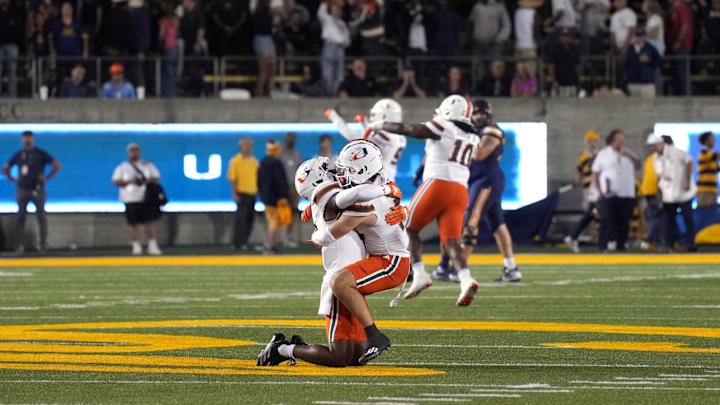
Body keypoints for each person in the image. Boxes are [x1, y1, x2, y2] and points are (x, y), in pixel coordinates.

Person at [257, 155, 405, 367]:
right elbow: (356, 194)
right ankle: (282, 349)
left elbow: (367, 209)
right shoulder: (325, 192)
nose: (336, 172)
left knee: (354, 357)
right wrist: (389, 189)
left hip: (351, 281)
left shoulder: (326, 198)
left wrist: (402, 209)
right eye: (328, 169)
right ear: (317, 178)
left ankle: (292, 347)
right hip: (340, 282)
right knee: (339, 357)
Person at [371, 95, 481, 306]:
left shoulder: (444, 125)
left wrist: (381, 124)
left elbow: (413, 130)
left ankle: (420, 273)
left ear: (448, 111)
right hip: (461, 190)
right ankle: (466, 279)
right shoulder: (473, 137)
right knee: (451, 241)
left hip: (439, 183)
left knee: (405, 225)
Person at [308, 141, 409, 364]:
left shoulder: (366, 201)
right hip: (386, 256)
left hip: (390, 262)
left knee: (340, 282)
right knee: (345, 284)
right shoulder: (383, 183)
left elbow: (328, 236)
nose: (341, 175)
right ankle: (369, 336)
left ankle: (375, 335)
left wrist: (317, 229)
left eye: (348, 171)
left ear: (363, 171)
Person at [434, 100, 521, 283]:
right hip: (478, 181)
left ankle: (458, 268)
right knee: (497, 225)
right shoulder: (472, 131)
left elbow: (479, 154)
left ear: (489, 114)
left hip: (486, 181)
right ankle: (511, 267)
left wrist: (461, 136)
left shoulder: (492, 130)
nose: (479, 116)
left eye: (483, 113)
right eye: (476, 113)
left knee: (469, 222)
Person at [2, 131, 61, 254]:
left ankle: (43, 244)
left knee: (41, 216)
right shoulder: (19, 154)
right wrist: (13, 179)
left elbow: (56, 165)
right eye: (25, 138)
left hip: (37, 189)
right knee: (20, 217)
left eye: (29, 138)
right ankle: (19, 245)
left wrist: (47, 177)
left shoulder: (39, 153)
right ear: (22, 139)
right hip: (23, 188)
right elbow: (5, 167)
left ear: (32, 139)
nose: (27, 140)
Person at [325, 98, 407, 181]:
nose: (373, 117)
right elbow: (371, 136)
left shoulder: (388, 136)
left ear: (384, 115)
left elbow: (352, 135)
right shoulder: (401, 137)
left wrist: (334, 117)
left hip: (379, 181)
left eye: (375, 114)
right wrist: (364, 123)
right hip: (388, 180)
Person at [591, 129, 640, 252]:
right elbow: (595, 173)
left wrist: (628, 155)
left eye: (623, 140)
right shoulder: (603, 154)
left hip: (627, 194)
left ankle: (621, 246)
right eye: (619, 140)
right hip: (609, 194)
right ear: (612, 140)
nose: (621, 142)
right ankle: (603, 246)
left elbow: (639, 165)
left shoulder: (628, 154)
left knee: (624, 222)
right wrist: (599, 190)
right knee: (607, 220)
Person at [647, 133, 697, 251]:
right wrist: (659, 191)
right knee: (668, 220)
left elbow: (689, 161)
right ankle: (670, 244)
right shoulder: (656, 158)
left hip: (683, 192)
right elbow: (660, 175)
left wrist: (688, 180)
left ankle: (691, 243)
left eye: (653, 145)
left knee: (687, 218)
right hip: (668, 195)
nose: (652, 148)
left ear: (660, 143)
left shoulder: (675, 152)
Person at [111, 142, 162, 256]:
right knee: (134, 224)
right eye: (132, 151)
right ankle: (136, 246)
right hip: (130, 199)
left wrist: (144, 181)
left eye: (136, 150)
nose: (134, 153)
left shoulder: (147, 165)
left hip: (146, 198)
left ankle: (152, 245)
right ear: (128, 153)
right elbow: (115, 180)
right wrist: (130, 181)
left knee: (150, 223)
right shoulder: (123, 166)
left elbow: (157, 177)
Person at [564, 130, 601, 252]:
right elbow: (579, 173)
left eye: (595, 141)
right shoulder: (584, 156)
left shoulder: (600, 154)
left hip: (599, 189)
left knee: (594, 214)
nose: (594, 143)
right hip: (589, 189)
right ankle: (576, 236)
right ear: (588, 142)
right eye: (592, 141)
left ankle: (594, 236)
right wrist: (577, 182)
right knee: (591, 213)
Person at [257, 139, 290, 254]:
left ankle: (271, 244)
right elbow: (279, 181)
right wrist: (283, 196)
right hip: (275, 198)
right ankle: (271, 246)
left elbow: (259, 182)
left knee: (272, 221)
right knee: (274, 223)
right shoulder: (276, 163)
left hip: (266, 198)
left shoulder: (262, 162)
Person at [227, 138, 259, 250]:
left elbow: (257, 178)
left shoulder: (254, 161)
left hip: (252, 193)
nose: (247, 148)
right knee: (241, 219)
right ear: (241, 147)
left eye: (249, 145)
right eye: (245, 146)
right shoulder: (235, 160)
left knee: (250, 219)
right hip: (241, 193)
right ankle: (236, 243)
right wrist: (234, 193)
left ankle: (244, 241)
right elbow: (232, 178)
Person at [469, 0, 511, 80]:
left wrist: (498, 39)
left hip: (493, 45)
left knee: (494, 71)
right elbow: (471, 22)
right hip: (478, 44)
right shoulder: (477, 7)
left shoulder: (499, 7)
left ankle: (494, 90)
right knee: (478, 71)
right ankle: (478, 90)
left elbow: (507, 26)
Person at [317, 0, 350, 96]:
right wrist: (330, 1)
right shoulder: (327, 19)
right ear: (331, 11)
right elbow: (320, 11)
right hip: (329, 47)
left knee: (338, 75)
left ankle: (334, 94)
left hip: (340, 49)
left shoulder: (342, 24)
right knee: (328, 74)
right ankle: (327, 94)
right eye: (335, 10)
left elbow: (347, 40)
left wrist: (344, 42)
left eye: (338, 10)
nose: (337, 11)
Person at [278, 132, 303, 247]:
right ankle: (282, 237)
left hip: (294, 187)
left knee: (293, 212)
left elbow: (300, 173)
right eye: (289, 139)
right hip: (283, 188)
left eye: (293, 139)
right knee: (283, 213)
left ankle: (289, 236)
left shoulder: (297, 155)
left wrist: (298, 188)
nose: (290, 141)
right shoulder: (280, 155)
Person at [626, 27, 661, 98]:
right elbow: (626, 64)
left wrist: (649, 60)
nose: (639, 38)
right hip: (633, 83)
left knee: (649, 107)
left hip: (647, 84)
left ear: (645, 36)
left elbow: (658, 62)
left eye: (641, 35)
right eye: (638, 35)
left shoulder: (651, 48)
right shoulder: (630, 49)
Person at [668, 0, 694, 96]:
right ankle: (680, 95)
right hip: (675, 46)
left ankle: (686, 96)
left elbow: (685, 25)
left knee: (682, 72)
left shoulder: (681, 7)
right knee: (678, 73)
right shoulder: (673, 8)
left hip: (683, 46)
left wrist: (679, 42)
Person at [252, 0, 276, 97]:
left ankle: (270, 88)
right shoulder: (259, 11)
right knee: (264, 67)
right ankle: (259, 90)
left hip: (268, 38)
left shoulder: (268, 10)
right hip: (261, 38)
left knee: (273, 66)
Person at [0, 0, 23, 98]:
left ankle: (12, 96)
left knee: (12, 72)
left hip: (12, 45)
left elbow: (19, 28)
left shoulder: (15, 10)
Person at [549, 27, 580, 97]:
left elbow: (577, 67)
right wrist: (554, 82)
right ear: (560, 37)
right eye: (563, 36)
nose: (565, 38)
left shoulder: (574, 49)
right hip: (560, 84)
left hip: (572, 84)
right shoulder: (555, 49)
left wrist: (578, 82)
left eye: (567, 36)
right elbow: (551, 67)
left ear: (571, 37)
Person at [158, 6, 180, 97]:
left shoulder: (163, 21)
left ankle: (168, 93)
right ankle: (173, 92)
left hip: (168, 47)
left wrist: (159, 42)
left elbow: (161, 35)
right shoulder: (176, 21)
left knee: (167, 71)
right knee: (173, 71)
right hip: (175, 47)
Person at [514, 0, 539, 77]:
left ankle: (519, 89)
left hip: (518, 45)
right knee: (531, 72)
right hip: (529, 45)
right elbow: (536, 31)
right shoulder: (533, 13)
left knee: (519, 73)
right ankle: (531, 89)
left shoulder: (517, 12)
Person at [697, 132, 719, 207]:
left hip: (712, 190)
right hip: (705, 191)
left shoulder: (710, 155)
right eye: (712, 138)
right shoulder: (704, 153)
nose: (714, 140)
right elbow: (716, 156)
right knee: (704, 215)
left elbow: (716, 169)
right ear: (706, 141)